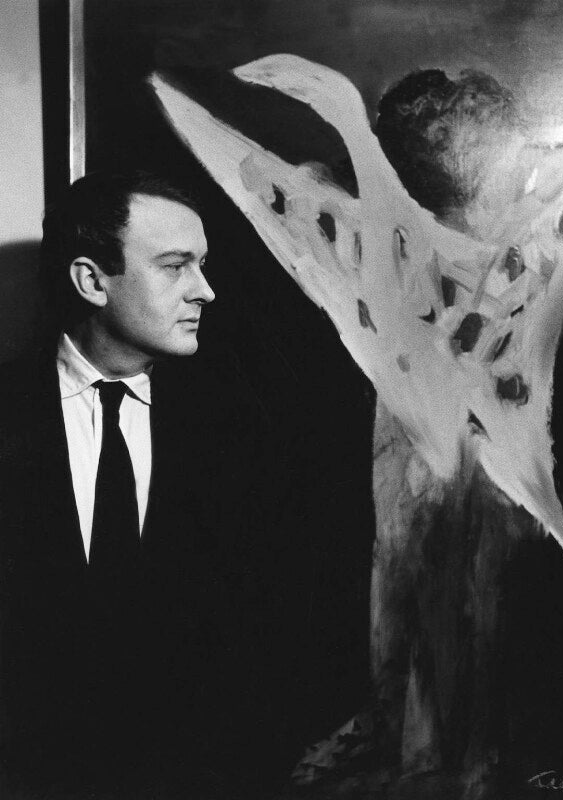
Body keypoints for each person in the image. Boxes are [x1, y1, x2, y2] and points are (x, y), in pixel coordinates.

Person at [0, 171, 271, 799]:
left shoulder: (241, 424)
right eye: (175, 266)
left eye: (202, 264)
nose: (204, 290)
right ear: (92, 281)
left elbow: (264, 643)